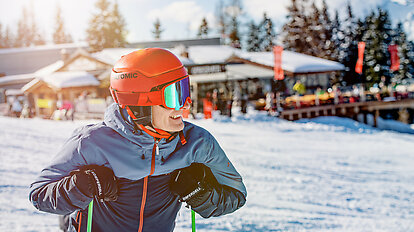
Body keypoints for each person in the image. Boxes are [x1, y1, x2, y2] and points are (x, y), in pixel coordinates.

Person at [29, 48, 247, 232]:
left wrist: (201, 193)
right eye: (175, 96)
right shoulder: (91, 142)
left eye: (185, 91)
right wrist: (81, 186)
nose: (186, 105)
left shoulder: (197, 144)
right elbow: (39, 194)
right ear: (139, 102)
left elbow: (236, 195)